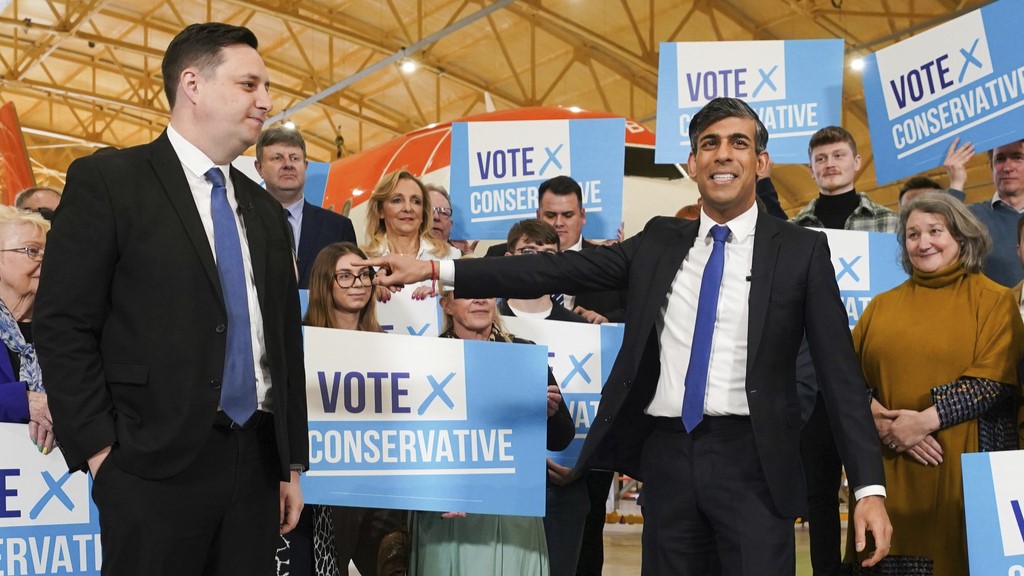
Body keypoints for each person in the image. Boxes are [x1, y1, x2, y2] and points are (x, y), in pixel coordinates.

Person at [361, 97, 892, 575]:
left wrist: (869, 488)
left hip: (755, 461)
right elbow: (554, 269)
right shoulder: (660, 239)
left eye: (739, 142)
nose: (723, 154)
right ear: (692, 164)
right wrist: (438, 271)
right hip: (667, 458)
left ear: (762, 162)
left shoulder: (801, 250)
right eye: (709, 144)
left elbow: (841, 377)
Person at [33, 22, 307, 576]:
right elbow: (63, 324)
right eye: (249, 85)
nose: (266, 101)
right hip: (147, 465)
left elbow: (283, 341)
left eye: (267, 88)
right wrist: (101, 454)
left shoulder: (265, 211)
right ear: (193, 84)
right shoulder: (110, 181)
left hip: (255, 463)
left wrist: (290, 464)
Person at [846, 192, 1024, 575]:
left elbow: (993, 382)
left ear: (961, 236)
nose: (923, 242)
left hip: (965, 477)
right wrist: (876, 417)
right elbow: (844, 376)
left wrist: (922, 422)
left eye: (935, 231)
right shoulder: (880, 306)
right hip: (890, 474)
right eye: (912, 234)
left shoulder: (996, 301)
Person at [411, 293, 574, 575]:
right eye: (466, 293)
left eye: (486, 292)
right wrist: (436, 492)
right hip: (447, 514)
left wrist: (549, 414)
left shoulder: (524, 353)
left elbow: (561, 438)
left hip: (513, 512)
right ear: (446, 305)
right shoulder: (424, 357)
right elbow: (410, 442)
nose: (479, 300)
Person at [254, 126, 355, 289]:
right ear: (259, 168)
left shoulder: (338, 228)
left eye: (294, 158)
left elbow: (351, 285)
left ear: (305, 166)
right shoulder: (242, 223)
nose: (288, 164)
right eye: (277, 158)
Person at [0, 206, 53, 454]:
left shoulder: (68, 328)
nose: (46, 260)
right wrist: (25, 401)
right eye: (32, 250)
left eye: (50, 252)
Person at [500, 219, 586, 324]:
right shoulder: (489, 321)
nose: (539, 261)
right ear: (508, 260)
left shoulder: (577, 325)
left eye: (549, 254)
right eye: (529, 252)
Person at [969, 139, 1024, 287]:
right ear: (991, 166)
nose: (1007, 167)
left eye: (1017, 157)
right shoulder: (971, 216)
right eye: (1000, 159)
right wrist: (956, 183)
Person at [425, 183, 476, 256]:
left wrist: (467, 259)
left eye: (444, 213)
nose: (436, 217)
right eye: (429, 210)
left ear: (451, 225)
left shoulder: (457, 255)